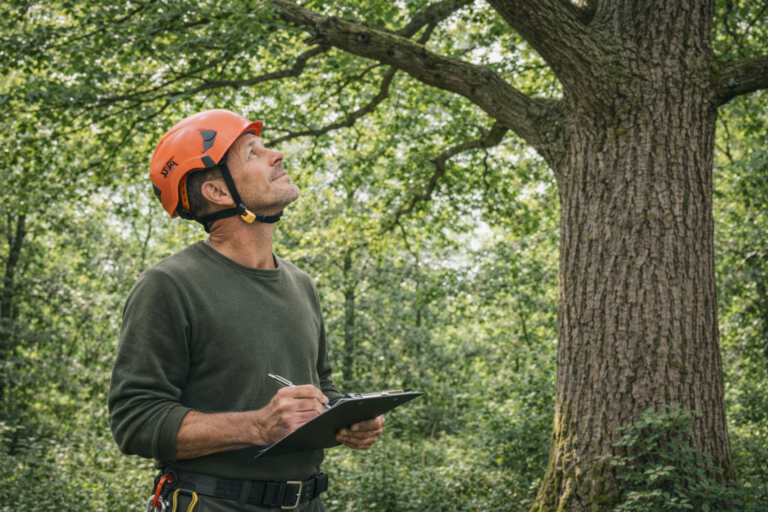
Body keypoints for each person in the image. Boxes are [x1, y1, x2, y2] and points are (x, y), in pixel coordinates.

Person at [108, 109, 385, 512]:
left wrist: (344, 418)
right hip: (213, 503)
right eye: (253, 152)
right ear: (218, 192)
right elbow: (135, 420)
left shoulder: (301, 284)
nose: (277, 155)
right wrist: (256, 426)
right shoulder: (169, 285)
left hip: (308, 503)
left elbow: (321, 384)